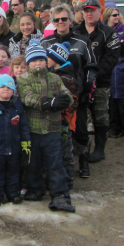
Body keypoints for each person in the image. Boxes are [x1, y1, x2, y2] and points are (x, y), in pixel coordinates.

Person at [17, 39, 75, 212]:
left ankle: (60, 195)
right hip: (32, 129)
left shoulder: (55, 78)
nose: (38, 63)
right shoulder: (23, 79)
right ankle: (35, 189)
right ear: (29, 63)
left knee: (55, 163)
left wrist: (65, 100)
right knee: (33, 163)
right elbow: (27, 97)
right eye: (34, 60)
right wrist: (47, 103)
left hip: (52, 129)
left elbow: (67, 96)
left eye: (41, 60)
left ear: (46, 61)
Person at [41, 4, 97, 178]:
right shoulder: (46, 42)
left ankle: (84, 161)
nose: (61, 22)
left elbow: (92, 66)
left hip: (76, 93)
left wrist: (87, 89)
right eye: (56, 20)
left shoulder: (82, 41)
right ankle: (56, 165)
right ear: (52, 22)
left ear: (71, 20)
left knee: (79, 130)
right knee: (56, 131)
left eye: (64, 19)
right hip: (52, 95)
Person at [74, 0, 120, 165]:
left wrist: (94, 75)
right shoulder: (76, 31)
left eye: (92, 10)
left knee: (100, 115)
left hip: (101, 83)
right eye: (86, 10)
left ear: (99, 11)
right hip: (80, 83)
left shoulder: (108, 32)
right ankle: (81, 148)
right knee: (80, 117)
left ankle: (100, 149)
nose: (89, 13)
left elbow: (112, 58)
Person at [0, 74, 30, 206]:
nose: (6, 90)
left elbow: (24, 127)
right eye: (2, 87)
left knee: (13, 173)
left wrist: (26, 146)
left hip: (14, 148)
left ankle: (13, 194)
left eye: (9, 87)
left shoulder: (17, 107)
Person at [46, 42, 79, 189]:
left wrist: (64, 121)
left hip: (65, 122)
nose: (46, 58)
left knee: (65, 153)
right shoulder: (56, 74)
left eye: (48, 56)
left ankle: (67, 181)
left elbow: (71, 103)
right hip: (58, 121)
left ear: (57, 58)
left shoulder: (66, 78)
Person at [108, 47, 124, 138]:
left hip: (123, 93)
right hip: (112, 92)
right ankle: (114, 130)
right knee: (113, 112)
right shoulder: (111, 62)